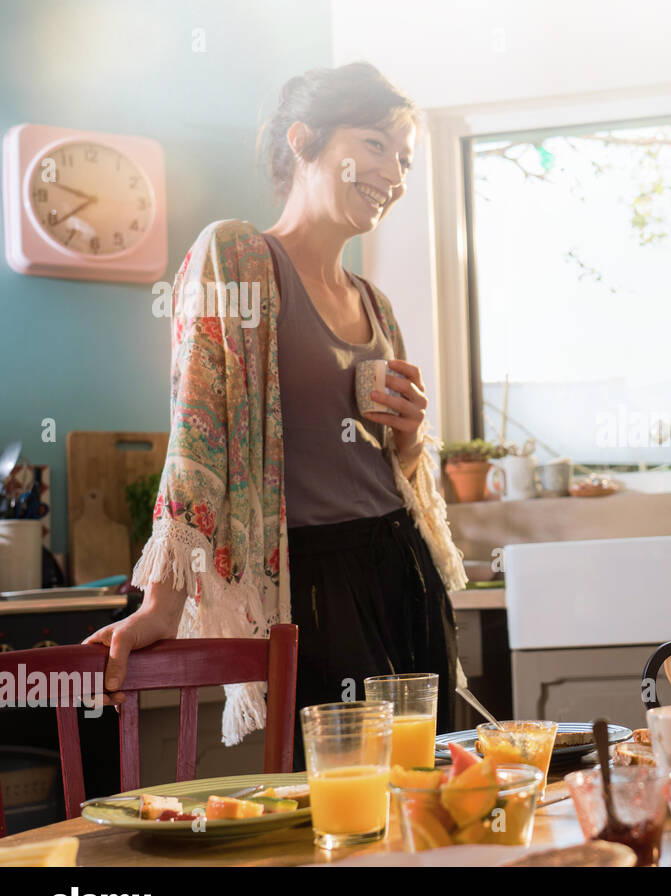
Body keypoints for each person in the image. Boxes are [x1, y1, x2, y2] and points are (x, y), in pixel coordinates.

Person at [85, 63, 468, 767]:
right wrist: (160, 606)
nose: (396, 173)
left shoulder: (375, 304)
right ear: (304, 141)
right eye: (376, 145)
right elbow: (197, 436)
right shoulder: (236, 258)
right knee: (348, 805)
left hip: (404, 572)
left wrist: (410, 441)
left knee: (428, 798)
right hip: (316, 586)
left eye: (406, 158)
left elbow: (396, 473)